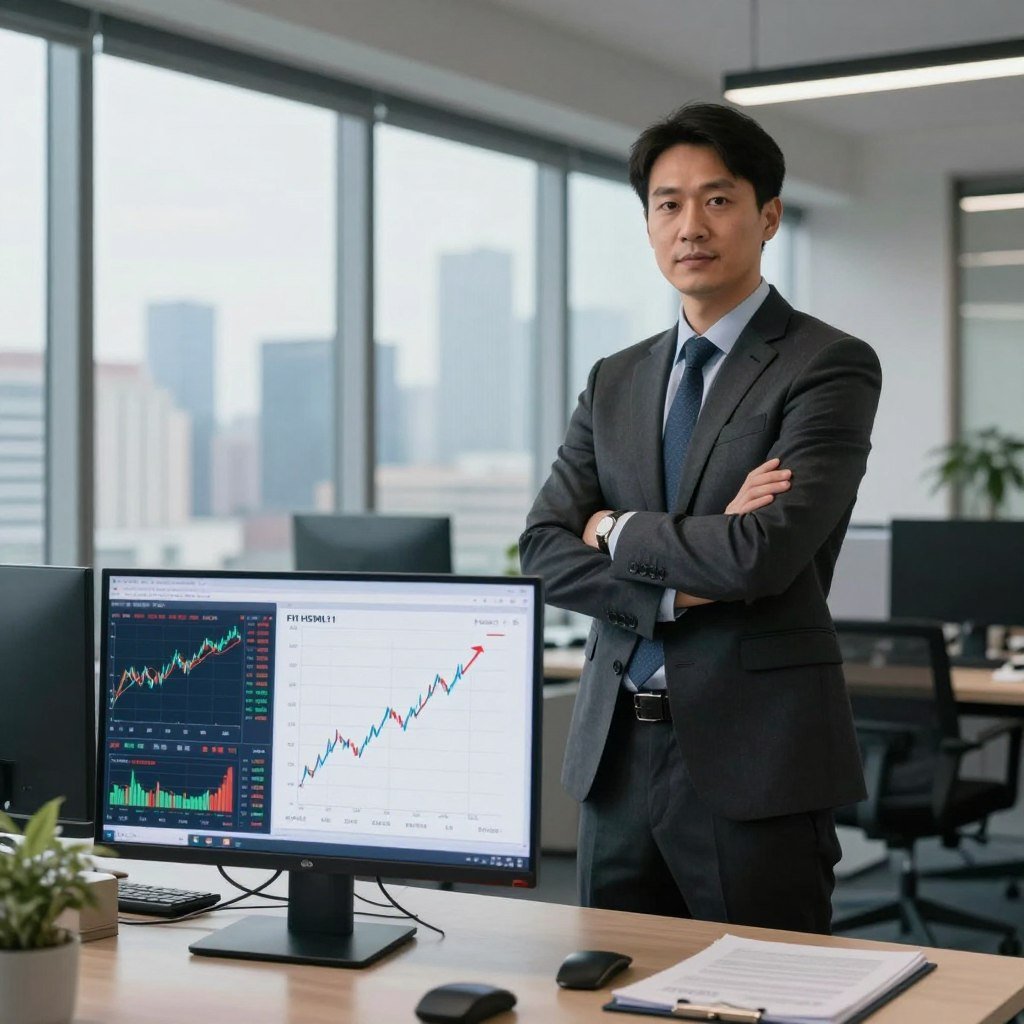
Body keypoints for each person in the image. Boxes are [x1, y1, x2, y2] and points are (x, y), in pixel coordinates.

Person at [519, 102, 881, 933]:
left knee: (764, 985)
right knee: (608, 981)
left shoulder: (826, 364)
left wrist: (612, 529)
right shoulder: (615, 379)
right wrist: (677, 588)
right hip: (614, 757)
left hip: (757, 758)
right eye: (668, 204)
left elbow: (759, 555)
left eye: (718, 200)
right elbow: (540, 548)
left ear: (769, 216)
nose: (691, 225)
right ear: (649, 224)